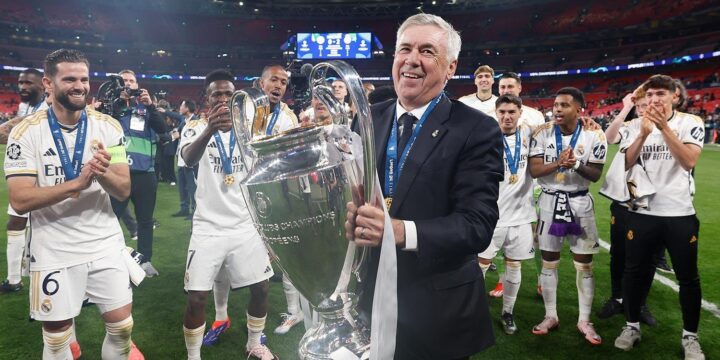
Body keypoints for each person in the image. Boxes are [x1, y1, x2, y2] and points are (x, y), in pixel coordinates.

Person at [346, 14, 502, 359]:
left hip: (437, 311)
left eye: (427, 51)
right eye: (405, 48)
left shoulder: (476, 129)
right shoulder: (369, 117)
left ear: (450, 67)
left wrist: (398, 231)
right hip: (369, 298)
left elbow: (477, 226)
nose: (412, 59)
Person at [4, 48, 142, 360]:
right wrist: (77, 184)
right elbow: (20, 199)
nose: (79, 85)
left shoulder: (109, 127)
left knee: (122, 332)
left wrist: (102, 172)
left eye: (83, 79)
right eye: (69, 79)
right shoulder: (25, 133)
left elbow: (122, 190)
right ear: (48, 83)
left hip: (104, 242)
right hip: (53, 248)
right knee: (57, 342)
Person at [180, 69, 277, 360]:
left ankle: (253, 343)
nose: (223, 98)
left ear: (236, 97)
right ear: (207, 99)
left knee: (261, 288)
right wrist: (210, 129)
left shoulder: (250, 128)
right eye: (216, 94)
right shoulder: (195, 127)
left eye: (228, 94)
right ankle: (193, 356)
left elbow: (263, 173)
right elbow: (187, 159)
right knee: (196, 296)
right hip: (208, 226)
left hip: (244, 224)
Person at [613, 75, 705, 360]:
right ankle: (631, 326)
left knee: (688, 277)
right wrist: (642, 133)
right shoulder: (635, 125)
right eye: (650, 94)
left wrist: (664, 128)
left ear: (675, 96)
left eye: (661, 94)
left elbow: (689, 161)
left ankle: (690, 336)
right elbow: (625, 164)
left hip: (679, 213)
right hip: (642, 212)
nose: (654, 99)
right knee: (634, 272)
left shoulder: (691, 122)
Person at [528, 87, 606, 345]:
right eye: (555, 105)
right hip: (550, 200)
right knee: (549, 260)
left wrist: (575, 164)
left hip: (580, 202)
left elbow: (595, 175)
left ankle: (584, 319)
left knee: (584, 262)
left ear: (579, 109)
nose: (557, 109)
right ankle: (551, 315)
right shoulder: (542, 132)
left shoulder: (595, 133)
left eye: (564, 105)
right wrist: (559, 164)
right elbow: (536, 170)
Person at [476, 95, 537, 335]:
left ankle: (507, 312)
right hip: (492, 216)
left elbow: (556, 127)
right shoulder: (486, 138)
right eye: (502, 112)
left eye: (512, 111)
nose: (507, 116)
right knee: (480, 264)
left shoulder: (530, 135)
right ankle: (474, 310)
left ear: (521, 112)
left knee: (514, 266)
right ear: (496, 113)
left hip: (521, 216)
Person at [597, 85, 657, 326]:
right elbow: (609, 137)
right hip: (623, 202)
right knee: (619, 253)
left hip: (652, 206)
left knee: (646, 257)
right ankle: (617, 297)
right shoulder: (630, 127)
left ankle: (640, 303)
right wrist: (626, 108)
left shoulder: (667, 130)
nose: (643, 110)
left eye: (646, 106)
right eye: (640, 106)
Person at [488, 71, 547, 299]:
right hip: (496, 200)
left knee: (527, 247)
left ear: (519, 88)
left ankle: (541, 282)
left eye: (510, 87)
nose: (506, 91)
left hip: (525, 195)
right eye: (502, 87)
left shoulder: (535, 119)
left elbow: (546, 141)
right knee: (486, 254)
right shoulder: (488, 124)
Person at [110, 69, 168, 277]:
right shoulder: (110, 108)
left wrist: (151, 105)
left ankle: (145, 261)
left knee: (145, 220)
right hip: (116, 173)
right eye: (123, 80)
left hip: (144, 172)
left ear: (137, 85)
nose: (127, 84)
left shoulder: (145, 107)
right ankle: (107, 261)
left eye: (131, 81)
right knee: (109, 220)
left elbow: (162, 130)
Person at [1, 68, 48, 294]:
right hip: (28, 173)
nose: (22, 87)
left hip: (46, 177)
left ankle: (16, 279)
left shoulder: (47, 106)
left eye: (28, 83)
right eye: (20, 83)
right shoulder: (26, 107)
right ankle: (15, 278)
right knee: (19, 222)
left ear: (43, 84)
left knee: (25, 224)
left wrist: (10, 129)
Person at [172, 100, 199, 219]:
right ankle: (184, 208)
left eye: (181, 106)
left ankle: (195, 211)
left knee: (192, 187)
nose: (180, 108)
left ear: (187, 108)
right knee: (182, 186)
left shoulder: (196, 122)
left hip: (191, 161)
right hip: (180, 159)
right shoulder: (184, 122)